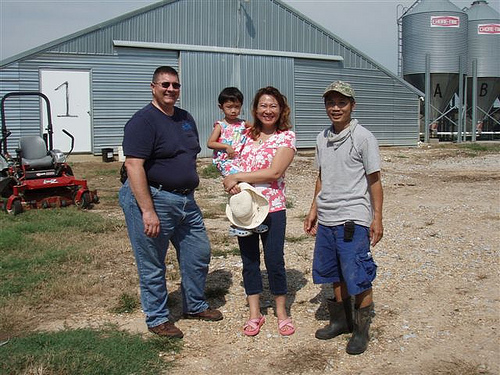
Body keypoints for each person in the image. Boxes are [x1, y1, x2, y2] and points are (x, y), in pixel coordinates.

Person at [119, 66, 222, 339]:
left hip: (186, 200)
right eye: (165, 84)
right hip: (155, 198)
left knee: (197, 253)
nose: (170, 89)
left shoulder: (185, 118)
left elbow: (189, 154)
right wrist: (148, 211)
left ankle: (195, 305)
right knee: (152, 261)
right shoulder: (143, 121)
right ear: (152, 87)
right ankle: (157, 317)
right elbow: (133, 165)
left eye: (175, 85)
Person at [303, 81, 383, 355]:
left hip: (353, 218)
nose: (336, 108)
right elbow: (321, 177)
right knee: (334, 274)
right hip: (327, 217)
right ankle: (341, 321)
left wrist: (377, 218)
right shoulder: (321, 138)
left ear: (352, 105)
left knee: (357, 275)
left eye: (342, 103)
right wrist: (313, 209)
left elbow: (374, 181)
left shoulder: (363, 138)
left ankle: (361, 331)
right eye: (331, 103)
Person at [223, 86, 296, 337]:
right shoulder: (244, 134)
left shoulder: (286, 138)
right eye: (263, 105)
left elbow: (275, 172)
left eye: (273, 105)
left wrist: (238, 176)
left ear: (281, 109)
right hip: (245, 208)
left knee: (274, 260)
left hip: (273, 207)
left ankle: (281, 313)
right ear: (255, 109)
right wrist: (229, 180)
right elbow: (226, 160)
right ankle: (255, 313)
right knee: (249, 260)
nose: (268, 110)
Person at [207, 87, 268, 237]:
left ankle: (252, 221)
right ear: (221, 107)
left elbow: (257, 131)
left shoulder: (243, 123)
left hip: (240, 161)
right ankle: (236, 224)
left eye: (237, 107)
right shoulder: (221, 125)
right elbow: (210, 143)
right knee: (237, 187)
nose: (233, 111)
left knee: (249, 187)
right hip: (226, 162)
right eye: (229, 107)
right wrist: (226, 146)